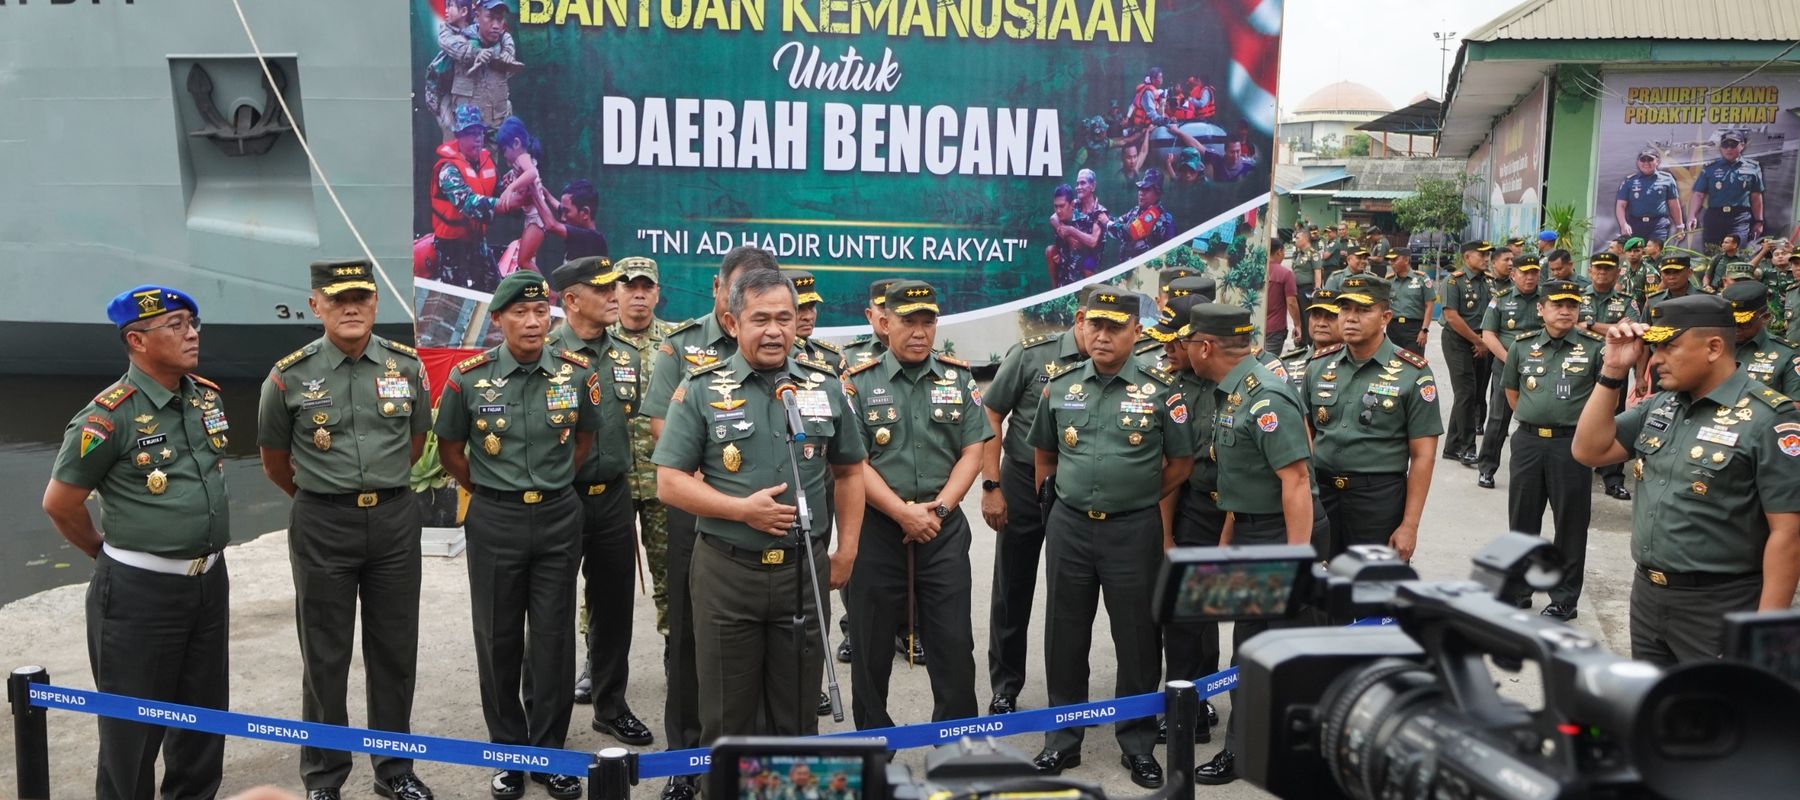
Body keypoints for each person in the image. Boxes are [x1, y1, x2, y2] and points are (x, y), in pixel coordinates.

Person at [652, 267, 868, 743]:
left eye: (785, 318)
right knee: (728, 720)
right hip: (729, 574)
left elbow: (851, 472)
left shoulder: (823, 385)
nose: (775, 331)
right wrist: (740, 510)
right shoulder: (702, 388)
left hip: (802, 573)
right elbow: (668, 482)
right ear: (732, 324)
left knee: (796, 719)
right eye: (761, 319)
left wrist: (846, 550)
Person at [255, 262, 434, 800]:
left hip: (394, 521)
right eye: (338, 299)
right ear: (317, 307)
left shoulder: (406, 367)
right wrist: (328, 498)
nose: (351, 307)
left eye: (361, 296)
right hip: (322, 524)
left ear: (376, 303)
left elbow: (416, 442)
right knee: (325, 656)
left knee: (395, 652)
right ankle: (324, 778)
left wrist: (374, 494)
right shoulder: (287, 376)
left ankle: (395, 772)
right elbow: (274, 460)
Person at [43, 286, 229, 800]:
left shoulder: (205, 396)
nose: (191, 333)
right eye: (175, 325)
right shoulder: (108, 416)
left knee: (202, 726)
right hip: (139, 595)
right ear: (137, 340)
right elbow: (60, 503)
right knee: (132, 737)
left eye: (192, 322)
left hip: (208, 583)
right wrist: (104, 554)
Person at [434, 271, 597, 800]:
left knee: (552, 638)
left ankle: (549, 753)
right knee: (498, 637)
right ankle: (508, 751)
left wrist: (548, 486)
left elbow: (584, 441)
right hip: (496, 519)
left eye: (539, 313)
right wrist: (492, 489)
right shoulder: (469, 378)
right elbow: (452, 451)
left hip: (557, 517)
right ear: (499, 319)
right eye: (519, 314)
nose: (531, 322)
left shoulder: (574, 375)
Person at [1572, 294, 1800, 666]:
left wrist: (1765, 636)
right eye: (1655, 346)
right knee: (1655, 715)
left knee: (1715, 718)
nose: (1656, 358)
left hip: (1720, 605)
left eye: (1669, 346)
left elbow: (1788, 535)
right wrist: (1612, 370)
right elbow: (1589, 451)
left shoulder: (1769, 419)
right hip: (1649, 597)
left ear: (1713, 347)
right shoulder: (1662, 404)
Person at [1029, 288, 1192, 789]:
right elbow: (1045, 456)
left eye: (1114, 327)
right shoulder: (1059, 386)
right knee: (1064, 634)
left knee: (1138, 639)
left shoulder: (1164, 389)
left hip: (1132, 529)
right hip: (1071, 526)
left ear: (1135, 333)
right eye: (1094, 326)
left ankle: (1138, 743)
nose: (1101, 336)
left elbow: (1181, 464)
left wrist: (1139, 495)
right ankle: (1063, 739)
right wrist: (1057, 505)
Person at [639, 246, 783, 800]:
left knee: (770, 648)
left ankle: (761, 762)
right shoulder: (683, 347)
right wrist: (717, 491)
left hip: (774, 524)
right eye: (744, 288)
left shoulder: (786, 348)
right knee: (691, 638)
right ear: (720, 290)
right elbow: (661, 425)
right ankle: (686, 756)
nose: (754, 301)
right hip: (699, 512)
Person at [1184, 302, 1326, 787]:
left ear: (1205, 347)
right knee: (1247, 648)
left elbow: (1297, 482)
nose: (1182, 350)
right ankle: (1242, 750)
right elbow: (1243, 479)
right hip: (1250, 531)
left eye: (1187, 342)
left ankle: (1307, 756)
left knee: (1292, 651)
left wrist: (1296, 562)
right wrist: (1229, 536)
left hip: (1280, 535)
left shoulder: (1266, 397)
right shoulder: (1234, 392)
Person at [842, 281, 991, 729]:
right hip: (878, 530)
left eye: (928, 322)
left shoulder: (958, 377)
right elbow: (853, 462)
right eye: (909, 322)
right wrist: (901, 512)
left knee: (952, 643)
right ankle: (874, 742)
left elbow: (973, 450)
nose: (920, 332)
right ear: (884, 323)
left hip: (941, 530)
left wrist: (940, 509)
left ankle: (957, 741)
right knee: (869, 648)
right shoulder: (856, 382)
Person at [541, 257, 656, 747]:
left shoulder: (625, 356)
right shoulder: (543, 354)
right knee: (548, 611)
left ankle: (611, 705)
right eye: (603, 288)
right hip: (557, 499)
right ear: (570, 300)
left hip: (612, 495)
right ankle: (545, 726)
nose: (616, 295)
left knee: (613, 608)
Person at [979, 297, 1093, 715]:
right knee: (1013, 586)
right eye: (1092, 322)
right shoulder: (1032, 356)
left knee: (1071, 595)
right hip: (1024, 483)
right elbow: (990, 412)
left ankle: (1067, 698)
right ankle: (1006, 685)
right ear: (1079, 319)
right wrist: (991, 484)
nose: (1101, 333)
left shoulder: (1116, 361)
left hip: (1076, 488)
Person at [1304, 275, 1441, 559]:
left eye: (1363, 310)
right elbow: (1307, 434)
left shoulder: (1413, 373)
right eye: (1345, 309)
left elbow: (1423, 456)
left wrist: (1409, 525)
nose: (1350, 318)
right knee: (1318, 590)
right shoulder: (1318, 366)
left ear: (1385, 317)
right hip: (1322, 495)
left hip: (1378, 500)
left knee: (1372, 591)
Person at [1501, 280, 1606, 620]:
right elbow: (1513, 394)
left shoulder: (1595, 348)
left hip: (1572, 444)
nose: (1565, 311)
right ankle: (1518, 590)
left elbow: (1607, 400)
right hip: (1529, 441)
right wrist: (1536, 418)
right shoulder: (1522, 346)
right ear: (1541, 309)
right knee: (1522, 519)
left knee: (1571, 523)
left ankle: (1564, 597)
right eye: (1558, 305)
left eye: (1572, 305)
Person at [1153, 292, 1222, 745]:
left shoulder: (1245, 381)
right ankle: (1184, 708)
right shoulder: (1167, 387)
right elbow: (1168, 471)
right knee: (1185, 612)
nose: (1165, 352)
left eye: (1172, 344)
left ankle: (1210, 692)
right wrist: (1166, 537)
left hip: (1246, 515)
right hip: (1193, 509)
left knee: (1226, 609)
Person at [605, 257, 678, 639]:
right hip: (610, 480)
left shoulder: (675, 343)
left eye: (645, 287)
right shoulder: (597, 342)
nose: (637, 294)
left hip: (661, 480)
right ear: (614, 291)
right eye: (628, 286)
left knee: (669, 569)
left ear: (657, 293)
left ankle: (673, 648)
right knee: (605, 575)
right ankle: (599, 658)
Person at [430, 104, 529, 292]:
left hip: (477, 242)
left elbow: (499, 191)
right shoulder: (448, 169)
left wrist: (518, 194)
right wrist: (505, 204)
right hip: (452, 247)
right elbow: (468, 204)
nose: (478, 138)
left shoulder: (486, 160)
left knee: (495, 291)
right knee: (456, 300)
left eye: (480, 133)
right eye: (471, 133)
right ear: (458, 136)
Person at [1475, 254, 1544, 488]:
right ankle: (1486, 468)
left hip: (1542, 369)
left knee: (1539, 419)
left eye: (1534, 272)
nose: (1530, 277)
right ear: (1514, 275)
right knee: (1498, 418)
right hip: (1507, 367)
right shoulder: (1500, 300)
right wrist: (1510, 360)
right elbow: (1488, 335)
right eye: (1525, 273)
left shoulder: (1547, 299)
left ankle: (1536, 471)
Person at [1577, 252, 1636, 502]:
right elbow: (1569, 323)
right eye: (1597, 269)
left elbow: (1630, 331)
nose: (1602, 273)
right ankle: (1579, 468)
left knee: (1614, 417)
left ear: (1616, 272)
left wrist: (1589, 324)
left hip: (1614, 367)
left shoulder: (1626, 300)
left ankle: (1613, 478)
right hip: (1579, 365)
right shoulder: (1577, 297)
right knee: (1580, 413)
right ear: (1590, 271)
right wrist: (1611, 327)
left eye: (1607, 269)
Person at [1439, 241, 1493, 466]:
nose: (1486, 258)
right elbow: (1452, 317)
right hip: (1458, 341)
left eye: (1488, 255)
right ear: (1467, 257)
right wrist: (1477, 341)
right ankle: (1466, 448)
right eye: (1481, 255)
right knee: (1466, 393)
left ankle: (1452, 447)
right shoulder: (1453, 281)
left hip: (1480, 342)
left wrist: (1482, 341)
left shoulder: (1487, 282)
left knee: (1470, 394)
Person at [435, 0, 521, 134]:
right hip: (464, 130)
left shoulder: (504, 41)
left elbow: (507, 44)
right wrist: (475, 53)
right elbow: (450, 44)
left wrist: (508, 54)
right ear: (477, 16)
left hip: (495, 125)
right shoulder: (460, 37)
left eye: (500, 19)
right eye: (490, 17)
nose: (496, 25)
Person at [1722, 280, 1800, 397]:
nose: (1736, 328)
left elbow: (1796, 406)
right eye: (1730, 322)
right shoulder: (1712, 348)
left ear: (1765, 317)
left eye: (1743, 323)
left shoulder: (1787, 354)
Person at [1688, 131, 1764, 247]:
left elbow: (1756, 197)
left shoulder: (1752, 168)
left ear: (1742, 145)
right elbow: (1699, 194)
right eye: (1725, 145)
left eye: (1733, 145)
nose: (1729, 149)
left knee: (1736, 252)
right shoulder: (1710, 168)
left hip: (1739, 217)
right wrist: (1692, 215)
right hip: (1715, 216)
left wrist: (1759, 221)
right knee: (1712, 254)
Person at [1615, 148, 1686, 241]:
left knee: (1654, 253)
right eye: (1643, 160)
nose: (1646, 163)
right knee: (1636, 254)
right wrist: (1623, 224)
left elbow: (1673, 205)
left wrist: (1680, 226)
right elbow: (1621, 205)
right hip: (1635, 224)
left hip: (1659, 224)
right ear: (1638, 162)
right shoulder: (1629, 181)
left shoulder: (1667, 179)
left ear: (1657, 161)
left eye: (1650, 160)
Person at [535, 179, 609, 261]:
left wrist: (535, 193)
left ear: (585, 212)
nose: (562, 218)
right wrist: (546, 195)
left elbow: (551, 226)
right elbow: (561, 207)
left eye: (566, 212)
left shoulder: (594, 240)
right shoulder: (577, 224)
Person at [783, 269, 845, 367]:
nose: (808, 317)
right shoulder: (769, 356)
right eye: (799, 308)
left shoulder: (832, 357)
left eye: (811, 307)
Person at [1111, 169, 1175, 262]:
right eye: (1140, 189)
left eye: (1147, 189)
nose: (1141, 193)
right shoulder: (1136, 211)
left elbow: (1127, 233)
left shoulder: (1165, 221)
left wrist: (1107, 223)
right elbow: (1118, 221)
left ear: (1158, 194)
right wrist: (1106, 218)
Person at [1047, 184, 1103, 286]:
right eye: (1056, 206)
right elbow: (1052, 218)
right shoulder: (1058, 220)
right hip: (1064, 273)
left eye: (1062, 206)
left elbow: (1093, 247)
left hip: (1081, 274)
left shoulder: (1084, 221)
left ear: (1072, 205)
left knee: (1089, 263)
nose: (1058, 210)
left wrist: (1072, 232)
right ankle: (1055, 292)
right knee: (1050, 250)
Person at [840, 279, 900, 371]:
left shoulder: (923, 354)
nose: (890, 313)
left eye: (898, 307)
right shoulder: (849, 356)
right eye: (884, 307)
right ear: (870, 315)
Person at [1384, 251, 1434, 355]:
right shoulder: (1389, 281)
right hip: (1393, 328)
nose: (1391, 263)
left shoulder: (1422, 279)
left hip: (1414, 329)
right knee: (1392, 365)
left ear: (1406, 260)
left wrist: (1424, 330)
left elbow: (1429, 306)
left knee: (1413, 364)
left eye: (1395, 260)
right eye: (1390, 260)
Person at [1263, 241, 1299, 355]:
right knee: (1270, 365)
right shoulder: (1285, 274)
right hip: (1275, 329)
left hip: (1253, 327)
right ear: (1279, 252)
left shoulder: (1254, 270)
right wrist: (1297, 325)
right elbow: (1292, 303)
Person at [1290, 228, 1321, 345]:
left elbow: (1318, 272)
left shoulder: (1313, 253)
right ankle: (1302, 341)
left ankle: (1310, 342)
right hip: (1296, 289)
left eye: (1297, 238)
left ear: (1305, 239)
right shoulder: (1298, 254)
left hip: (1307, 289)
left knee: (1307, 316)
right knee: (1299, 316)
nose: (1295, 240)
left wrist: (1317, 289)